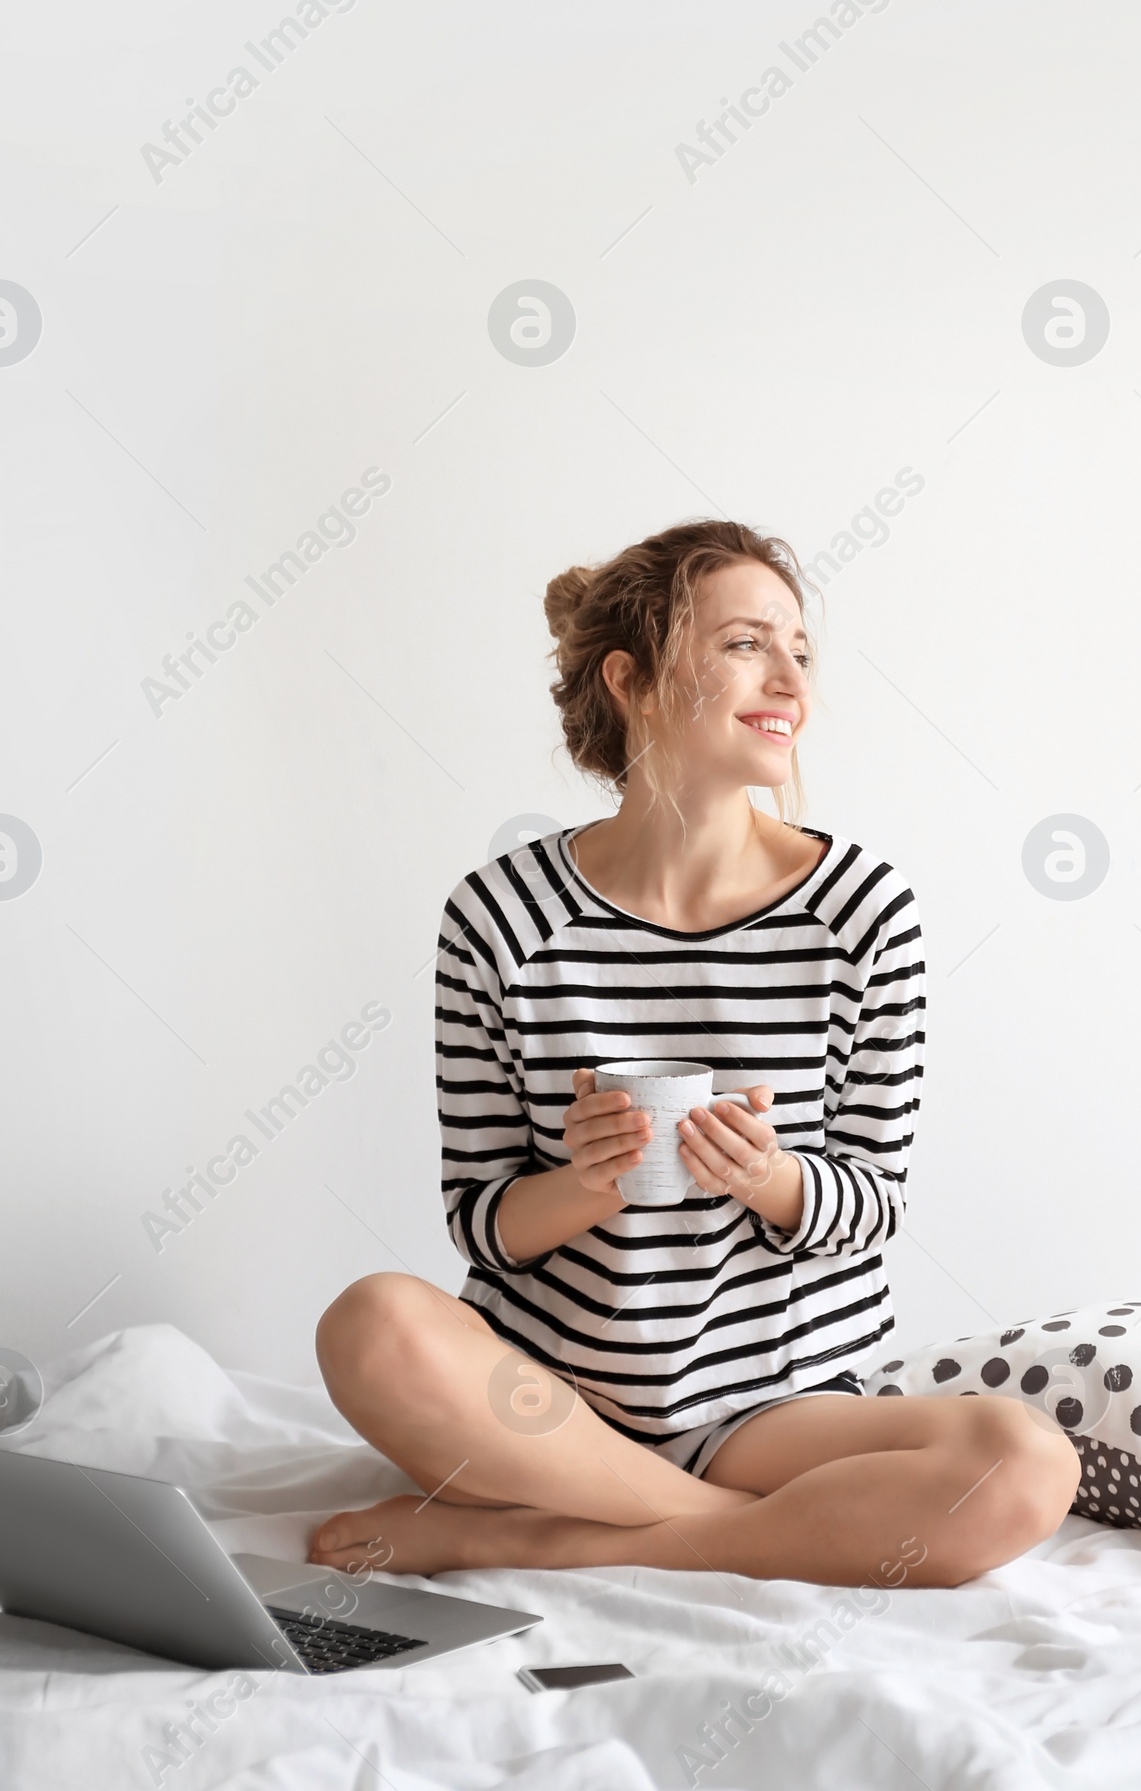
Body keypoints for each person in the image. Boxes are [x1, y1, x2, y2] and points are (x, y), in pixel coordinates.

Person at [311, 520, 1079, 1587]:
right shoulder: (500, 916)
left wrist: (767, 1178)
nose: (789, 681)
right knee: (370, 1323)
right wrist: (584, 1185)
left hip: (772, 1410)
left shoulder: (861, 913)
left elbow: (876, 1200)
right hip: (547, 1402)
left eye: (799, 651)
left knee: (1024, 1464)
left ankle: (526, 1536)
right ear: (629, 679)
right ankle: (715, 1524)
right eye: (745, 644)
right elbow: (483, 1222)